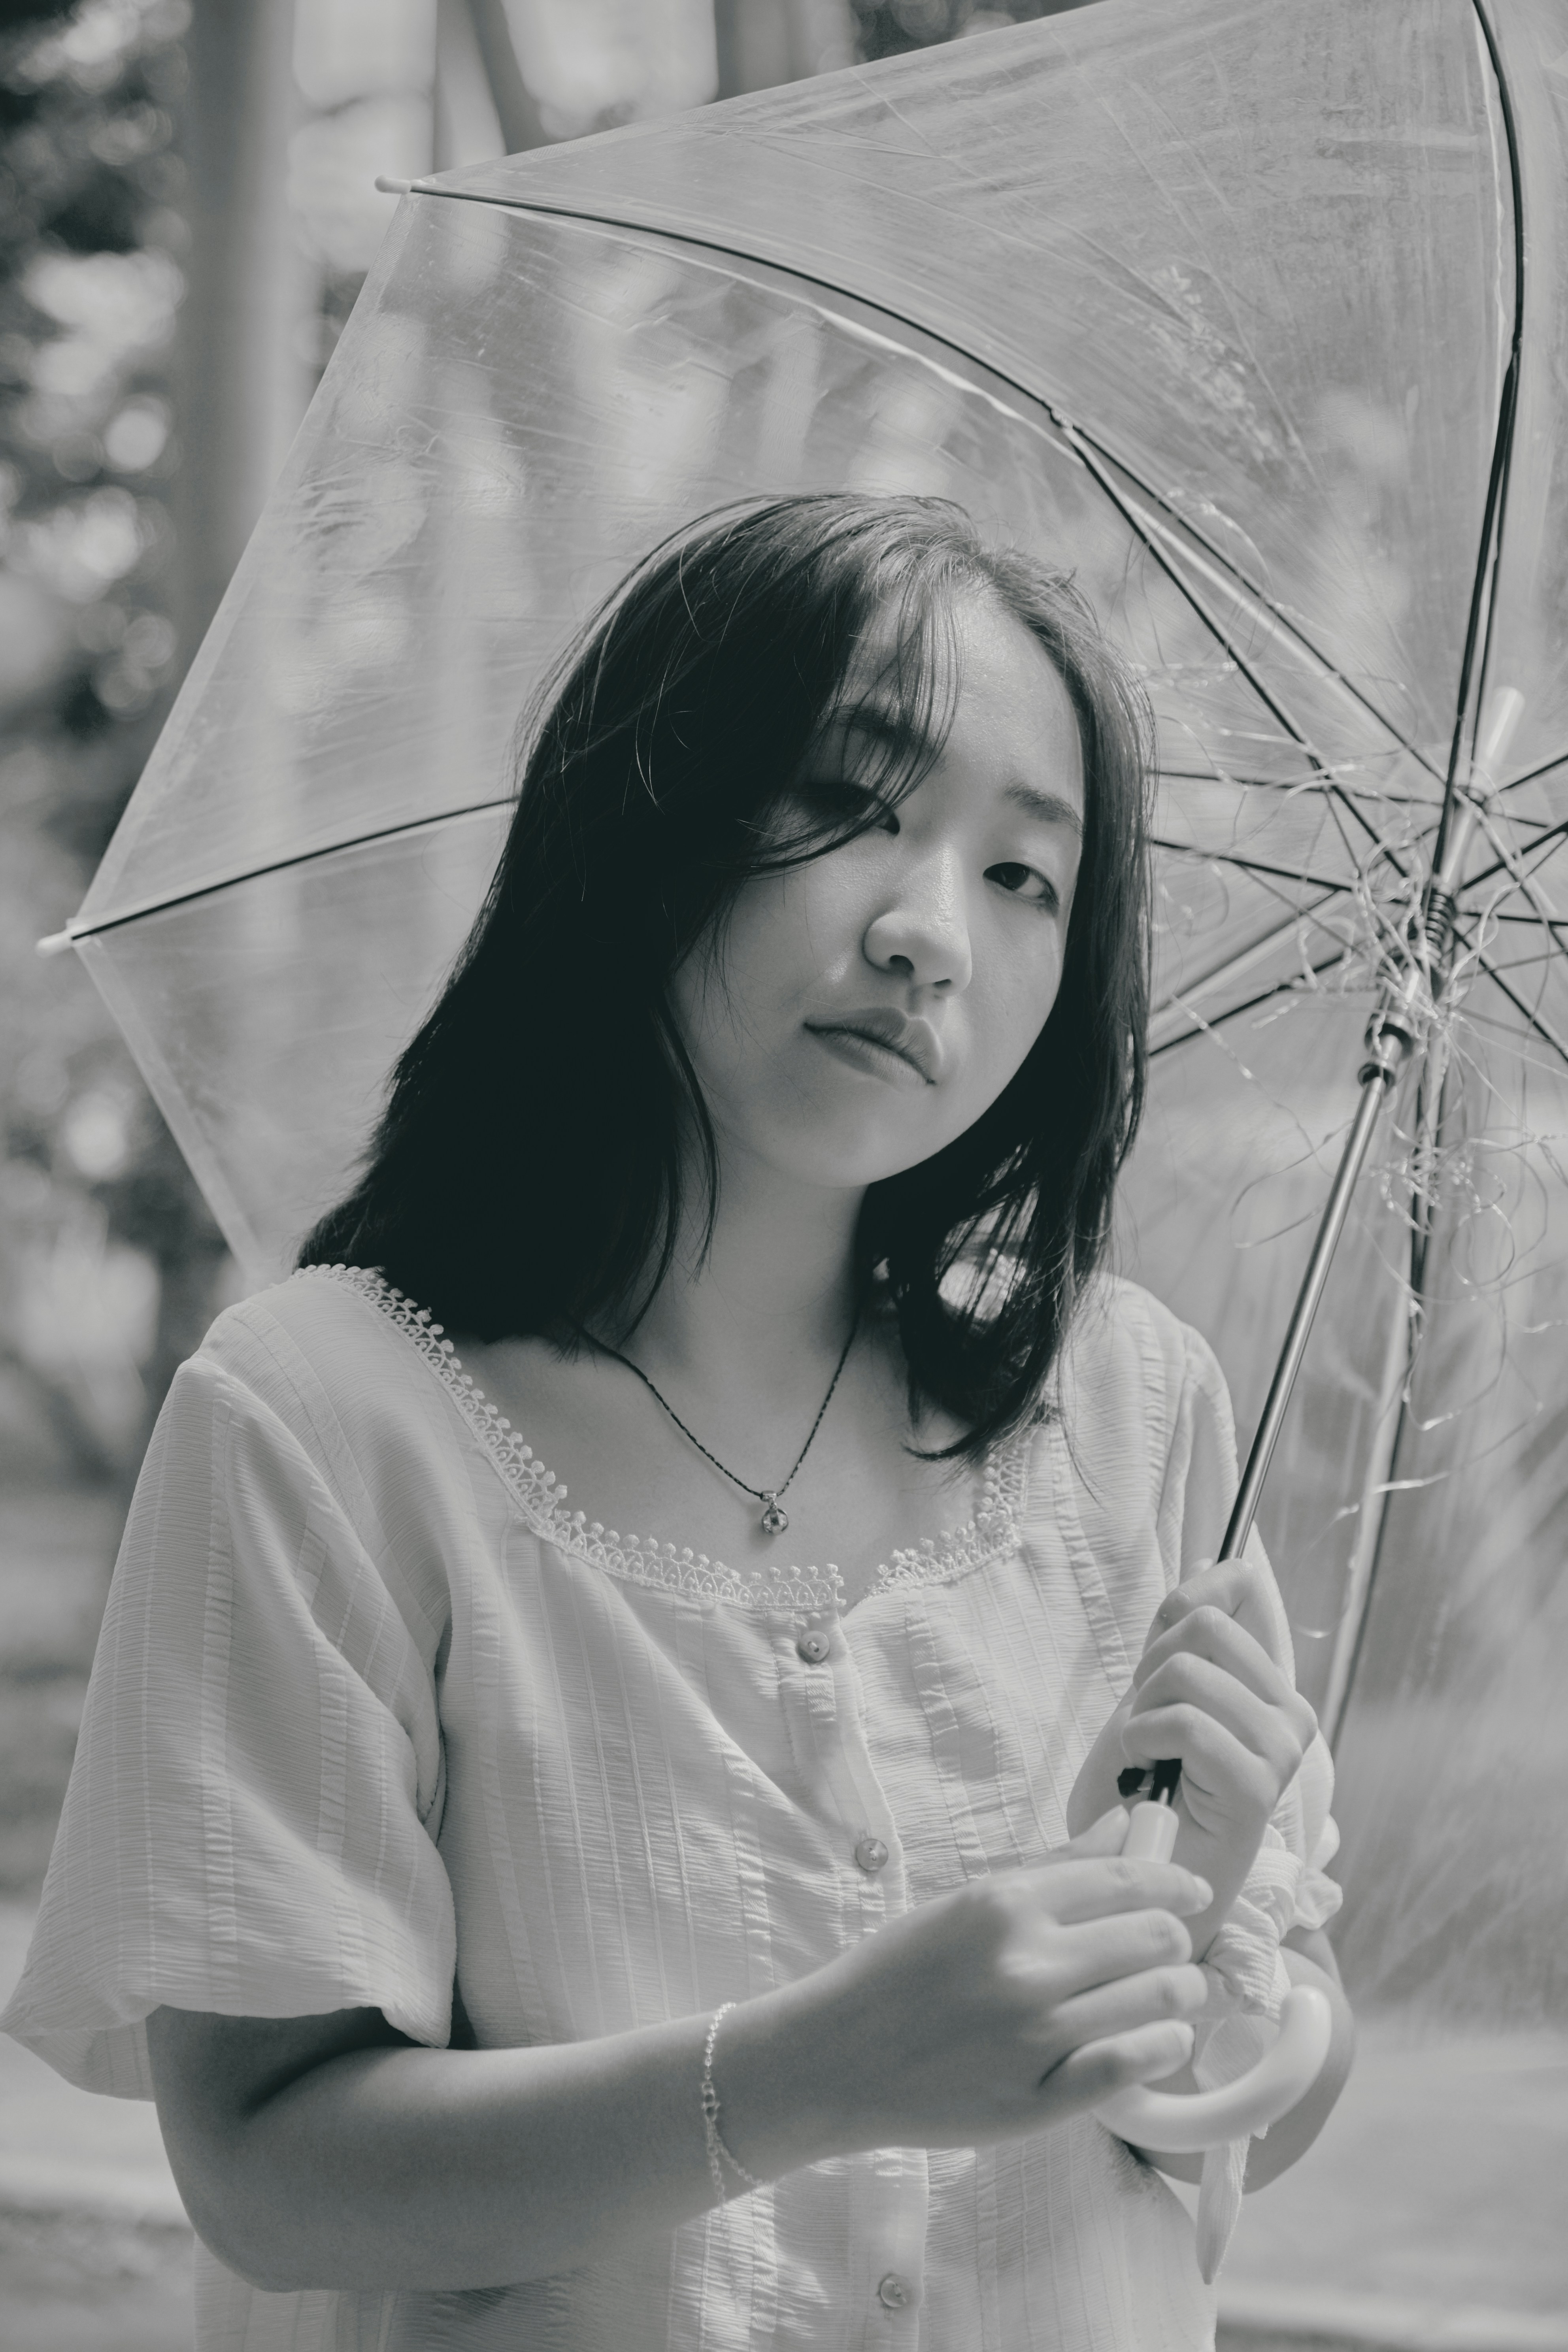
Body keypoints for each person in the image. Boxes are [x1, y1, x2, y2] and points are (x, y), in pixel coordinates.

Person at [2, 495, 1351, 2352]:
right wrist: (821, 2071)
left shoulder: (1133, 1414)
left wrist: (1191, 1914)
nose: (926, 934)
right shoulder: (326, 1422)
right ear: (649, 812)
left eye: (1022, 877)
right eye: (851, 802)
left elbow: (1239, 2121)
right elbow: (266, 2168)